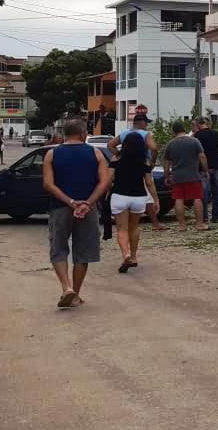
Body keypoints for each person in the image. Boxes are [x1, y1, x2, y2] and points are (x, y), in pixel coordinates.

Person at [42, 119, 110, 310]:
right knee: (83, 252)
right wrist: (88, 202)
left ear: (64, 134)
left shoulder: (51, 154)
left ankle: (66, 288)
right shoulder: (96, 153)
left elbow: (48, 184)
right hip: (87, 210)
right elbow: (104, 182)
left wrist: (70, 202)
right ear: (83, 134)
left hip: (59, 208)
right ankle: (76, 294)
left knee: (58, 248)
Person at [109, 131, 158, 272]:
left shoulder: (116, 159)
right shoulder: (144, 161)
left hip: (120, 196)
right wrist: (155, 199)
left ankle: (126, 254)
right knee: (134, 227)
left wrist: (106, 191)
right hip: (139, 198)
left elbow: (109, 179)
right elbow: (149, 183)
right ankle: (135, 257)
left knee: (122, 229)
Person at [163, 121, 208, 232]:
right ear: (184, 129)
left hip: (177, 176)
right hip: (193, 174)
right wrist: (205, 170)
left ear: (173, 131)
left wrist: (166, 176)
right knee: (197, 198)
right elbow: (202, 156)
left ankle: (182, 225)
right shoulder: (194, 141)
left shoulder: (170, 144)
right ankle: (199, 224)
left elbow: (166, 162)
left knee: (178, 199)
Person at [192, 116, 218, 225]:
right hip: (216, 166)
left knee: (203, 193)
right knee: (217, 192)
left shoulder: (196, 136)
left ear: (198, 124)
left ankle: (204, 217)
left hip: (202, 168)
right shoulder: (215, 133)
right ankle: (216, 217)